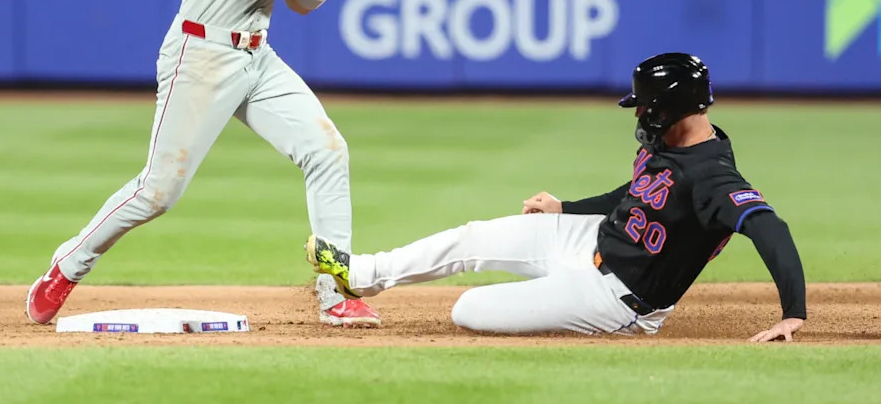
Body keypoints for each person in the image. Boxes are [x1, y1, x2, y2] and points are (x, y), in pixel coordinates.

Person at [26, 0, 380, 328]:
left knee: (328, 151)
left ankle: (337, 292)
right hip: (202, 53)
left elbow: (301, 0)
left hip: (258, 57)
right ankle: (68, 265)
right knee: (158, 192)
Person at [305, 53, 806, 340]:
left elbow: (769, 227)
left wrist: (792, 313)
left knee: (469, 310)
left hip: (616, 299)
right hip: (591, 241)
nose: (639, 115)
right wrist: (566, 209)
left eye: (647, 106)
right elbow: (634, 195)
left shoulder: (715, 178)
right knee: (474, 236)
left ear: (675, 106)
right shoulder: (676, 141)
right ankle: (362, 274)